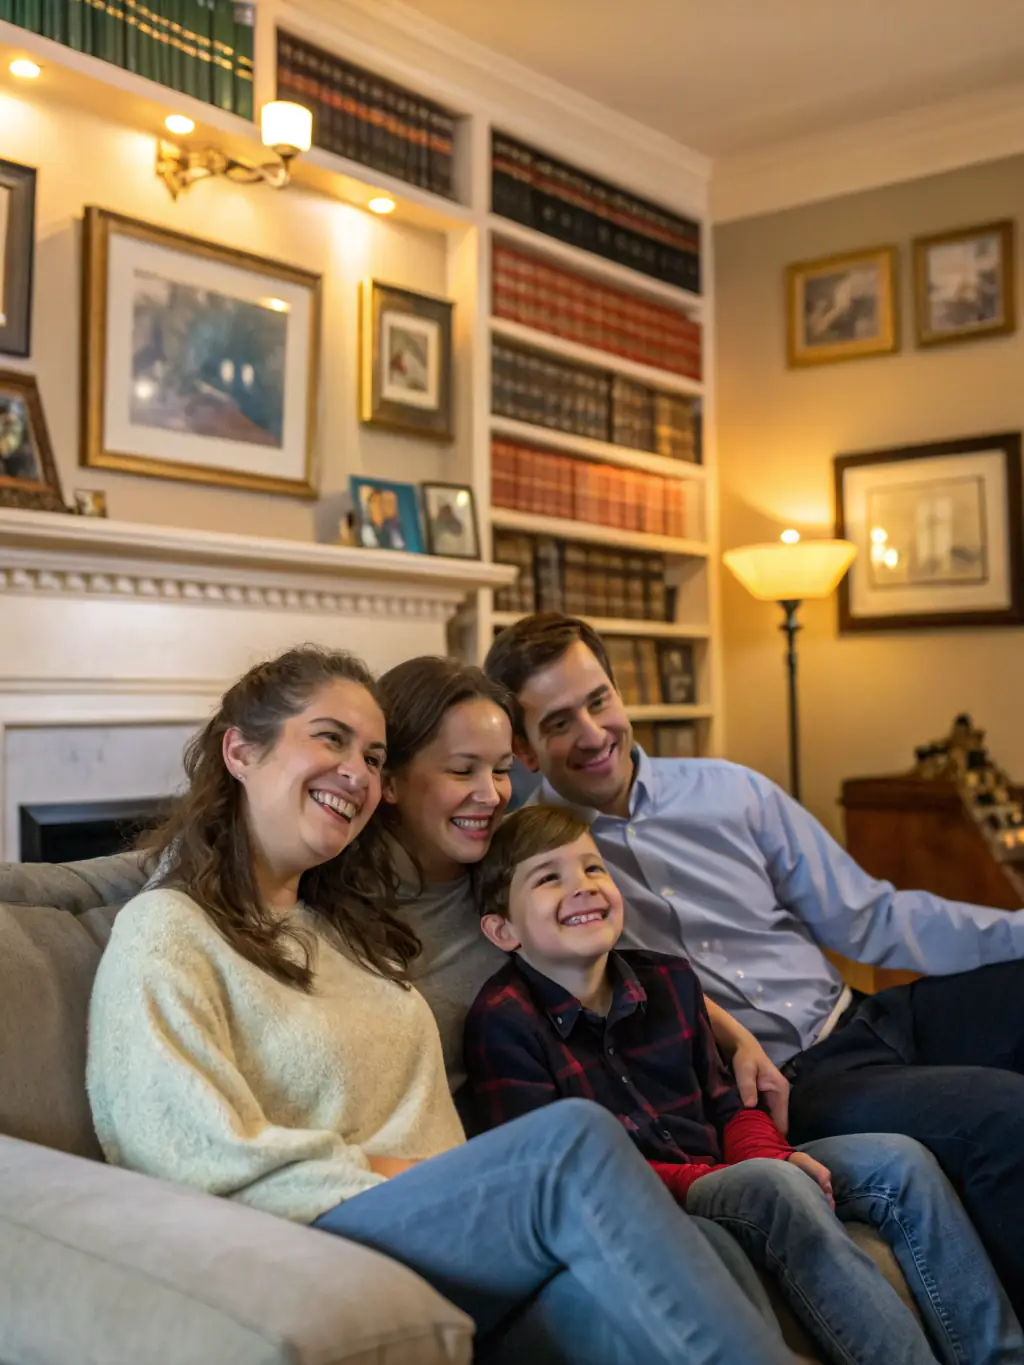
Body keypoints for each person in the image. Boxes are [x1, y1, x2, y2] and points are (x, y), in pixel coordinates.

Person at [85, 644, 799, 1365]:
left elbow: (596, 957)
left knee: (691, 1263)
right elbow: (181, 1150)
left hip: (463, 1220)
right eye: (330, 739)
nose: (356, 773)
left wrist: (726, 1029)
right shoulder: (167, 928)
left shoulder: (343, 924)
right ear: (240, 749)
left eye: (371, 754)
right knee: (572, 1140)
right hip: (325, 1225)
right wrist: (391, 1170)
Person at [483, 611, 1024, 1317]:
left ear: (619, 693)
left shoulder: (731, 789)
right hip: (792, 1079)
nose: (591, 733)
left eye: (599, 700)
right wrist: (727, 1033)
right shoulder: (545, 866)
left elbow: (870, 915)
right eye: (557, 722)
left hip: (869, 1012)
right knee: (1006, 1115)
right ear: (523, 748)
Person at [463, 803, 1023, 1365]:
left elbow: (731, 1105)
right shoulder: (504, 1023)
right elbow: (553, 1174)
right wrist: (747, 1173)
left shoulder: (669, 980)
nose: (583, 887)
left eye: (593, 868)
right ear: (502, 929)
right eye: (548, 878)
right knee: (774, 1189)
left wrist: (771, 1154)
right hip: (649, 1198)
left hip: (730, 1167)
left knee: (900, 1160)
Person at [376, 654, 788, 1120]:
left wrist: (738, 1040)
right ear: (389, 782)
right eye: (461, 770)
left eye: (500, 769)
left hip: (590, 1128)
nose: (491, 796)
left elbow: (624, 966)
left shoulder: (523, 858)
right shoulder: (350, 907)